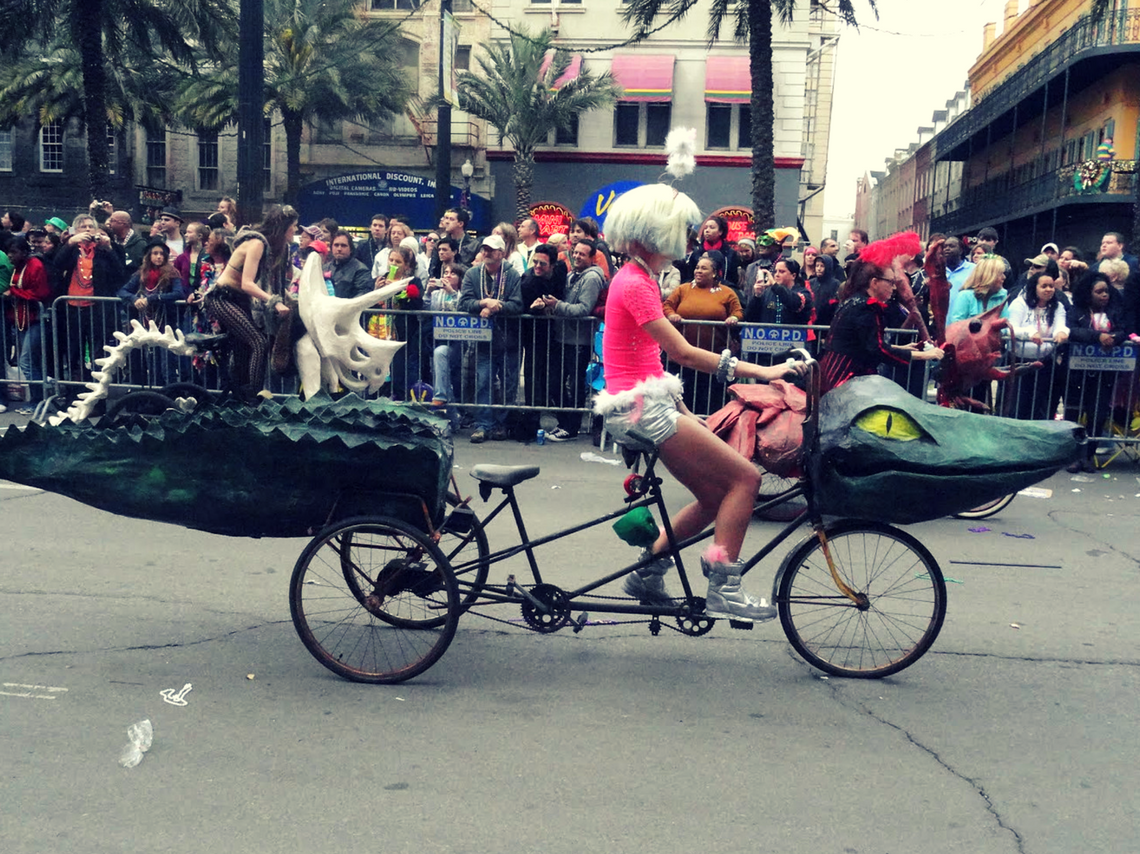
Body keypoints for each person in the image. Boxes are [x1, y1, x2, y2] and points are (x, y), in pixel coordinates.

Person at [594, 182, 810, 622]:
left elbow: (649, 361)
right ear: (654, 234)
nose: (688, 240)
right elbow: (683, 354)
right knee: (746, 480)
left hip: (646, 404)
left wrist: (684, 409)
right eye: (680, 232)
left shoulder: (638, 278)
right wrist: (764, 371)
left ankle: (647, 573)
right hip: (642, 410)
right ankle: (724, 590)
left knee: (715, 496)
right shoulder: (635, 283)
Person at [818, 233, 945, 395]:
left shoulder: (857, 301)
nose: (893, 289)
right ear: (874, 283)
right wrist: (925, 355)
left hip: (838, 376)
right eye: (890, 283)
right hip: (844, 379)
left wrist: (901, 347)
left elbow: (865, 344)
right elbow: (877, 351)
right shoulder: (866, 307)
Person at [203, 205, 296, 402]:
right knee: (259, 342)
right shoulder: (257, 243)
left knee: (247, 347)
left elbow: (275, 283)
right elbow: (247, 283)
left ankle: (239, 393)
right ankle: (252, 397)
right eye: (294, 226)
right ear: (283, 227)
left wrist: (290, 300)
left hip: (239, 300)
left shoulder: (279, 248)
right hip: (222, 297)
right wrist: (274, 302)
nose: (295, 230)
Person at [531, 238, 603, 441]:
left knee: (575, 384)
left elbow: (583, 309)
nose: (577, 256)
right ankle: (565, 423)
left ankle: (571, 427)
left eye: (582, 253)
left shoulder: (591, 278)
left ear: (592, 257)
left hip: (579, 340)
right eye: (576, 252)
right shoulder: (572, 275)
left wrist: (556, 305)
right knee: (556, 382)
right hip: (564, 338)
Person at [458, 233, 522, 442]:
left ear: (501, 253)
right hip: (482, 340)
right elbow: (464, 302)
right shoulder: (472, 274)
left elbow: (518, 305)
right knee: (483, 382)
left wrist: (497, 306)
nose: (486, 252)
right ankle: (483, 424)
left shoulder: (512, 275)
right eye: (484, 249)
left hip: (508, 339)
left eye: (491, 249)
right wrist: (483, 304)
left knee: (508, 384)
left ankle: (501, 424)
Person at [1066, 272, 1129, 471]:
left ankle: (1088, 455)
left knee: (1098, 413)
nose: (1105, 295)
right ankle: (1071, 456)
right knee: (1074, 413)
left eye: (1106, 291)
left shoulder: (1114, 312)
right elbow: (1072, 330)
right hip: (1078, 373)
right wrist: (1097, 337)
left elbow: (1123, 330)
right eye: (1099, 292)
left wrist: (1114, 338)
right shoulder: (1077, 311)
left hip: (1104, 374)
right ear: (1088, 293)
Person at [55, 214, 125, 381]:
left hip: (97, 308)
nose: (87, 230)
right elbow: (57, 265)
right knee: (73, 353)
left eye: (90, 227)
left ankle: (98, 399)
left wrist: (109, 248)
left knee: (98, 353)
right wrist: (69, 243)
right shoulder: (70, 248)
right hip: (72, 308)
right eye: (83, 227)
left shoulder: (106, 250)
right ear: (75, 231)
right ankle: (73, 394)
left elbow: (120, 275)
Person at [1008, 271, 1068, 421]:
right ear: (1034, 287)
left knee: (1039, 403)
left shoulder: (1057, 306)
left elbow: (1061, 325)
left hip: (1044, 362)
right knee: (1018, 404)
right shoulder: (1019, 303)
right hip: (1019, 361)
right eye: (1044, 286)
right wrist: (1029, 333)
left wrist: (1062, 332)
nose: (1049, 289)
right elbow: (1011, 328)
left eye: (1052, 286)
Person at [3, 235, 51, 410]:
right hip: (21, 319)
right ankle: (38, 397)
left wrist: (14, 292)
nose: (10, 256)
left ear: (24, 252)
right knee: (31, 361)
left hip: (35, 319)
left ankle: (38, 399)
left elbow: (40, 294)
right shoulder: (18, 266)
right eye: (9, 252)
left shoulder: (35, 265)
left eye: (14, 252)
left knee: (26, 361)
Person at [429, 261, 468, 425]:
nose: (447, 276)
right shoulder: (436, 295)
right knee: (443, 376)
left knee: (443, 362)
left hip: (459, 341)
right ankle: (453, 417)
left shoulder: (463, 295)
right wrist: (427, 291)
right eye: (445, 272)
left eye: (452, 273)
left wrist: (452, 293)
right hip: (438, 338)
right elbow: (425, 311)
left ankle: (440, 397)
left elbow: (462, 308)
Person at [948, 255, 1010, 324]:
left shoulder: (1002, 296)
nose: (1004, 277)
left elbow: (1005, 325)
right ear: (988, 276)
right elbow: (956, 325)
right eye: (1000, 274)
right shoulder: (965, 296)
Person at [324, 232, 373, 299]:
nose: (339, 249)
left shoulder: (361, 270)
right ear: (331, 248)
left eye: (343, 245)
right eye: (336, 245)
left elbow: (363, 296)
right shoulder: (324, 268)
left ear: (351, 249)